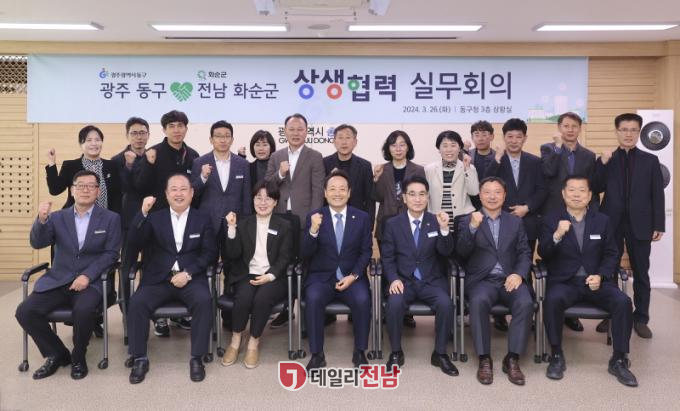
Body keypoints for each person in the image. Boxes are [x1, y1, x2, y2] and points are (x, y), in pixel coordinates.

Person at [16, 170, 121, 380]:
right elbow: (38, 243)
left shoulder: (111, 218)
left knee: (83, 310)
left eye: (91, 186)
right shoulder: (57, 217)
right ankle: (57, 354)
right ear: (72, 190)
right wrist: (41, 220)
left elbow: (111, 254)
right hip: (58, 280)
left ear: (98, 191)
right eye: (80, 185)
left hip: (91, 283)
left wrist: (87, 276)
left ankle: (79, 356)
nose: (85, 189)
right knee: (25, 311)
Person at [538, 175, 637, 386]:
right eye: (572, 190)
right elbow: (543, 253)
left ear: (590, 195)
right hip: (565, 282)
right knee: (552, 300)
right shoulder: (550, 219)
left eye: (582, 190)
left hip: (597, 282)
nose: (576, 194)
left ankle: (619, 359)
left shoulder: (602, 221)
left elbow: (612, 253)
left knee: (623, 302)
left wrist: (601, 275)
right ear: (563, 194)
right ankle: (556, 355)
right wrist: (557, 235)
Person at [126, 174, 216, 384]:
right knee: (137, 303)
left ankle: (197, 357)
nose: (179, 194)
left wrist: (189, 273)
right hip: (158, 279)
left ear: (191, 193)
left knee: (204, 301)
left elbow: (210, 253)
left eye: (183, 189)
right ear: (166, 194)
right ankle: (139, 358)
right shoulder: (154, 218)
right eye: (173, 189)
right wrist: (142, 212)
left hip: (191, 278)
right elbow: (134, 242)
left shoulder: (202, 219)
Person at [456, 177, 534, 386]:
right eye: (487, 192)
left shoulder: (515, 221)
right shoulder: (467, 220)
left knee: (525, 303)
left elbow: (524, 252)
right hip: (482, 280)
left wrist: (518, 274)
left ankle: (512, 359)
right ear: (480, 196)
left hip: (510, 279)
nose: (492, 196)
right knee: (478, 301)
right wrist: (472, 228)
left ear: (504, 196)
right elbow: (461, 252)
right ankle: (484, 359)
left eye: (497, 192)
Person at [595, 113, 665, 339]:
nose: (628, 134)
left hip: (641, 223)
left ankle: (641, 318)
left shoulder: (650, 160)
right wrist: (602, 163)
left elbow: (657, 194)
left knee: (641, 272)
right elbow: (595, 187)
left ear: (639, 132)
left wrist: (659, 224)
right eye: (624, 129)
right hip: (611, 223)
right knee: (608, 270)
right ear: (617, 131)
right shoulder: (607, 159)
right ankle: (609, 314)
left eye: (633, 130)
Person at [381, 176, 458, 377]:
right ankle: (396, 352)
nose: (417, 199)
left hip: (431, 281)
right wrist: (393, 278)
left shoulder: (436, 220)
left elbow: (446, 252)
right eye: (412, 194)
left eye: (422, 194)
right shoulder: (392, 224)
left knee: (446, 304)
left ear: (428, 197)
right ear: (404, 198)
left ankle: (440, 353)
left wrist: (444, 229)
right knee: (394, 303)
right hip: (403, 281)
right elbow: (387, 257)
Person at [133, 109, 200, 335]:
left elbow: (195, 191)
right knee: (154, 265)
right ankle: (158, 318)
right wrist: (148, 164)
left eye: (180, 126)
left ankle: (178, 315)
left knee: (181, 264)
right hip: (158, 222)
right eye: (172, 126)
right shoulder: (153, 153)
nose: (176, 130)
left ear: (186, 128)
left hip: (184, 220)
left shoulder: (193, 155)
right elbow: (139, 186)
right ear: (164, 129)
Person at [301, 170, 373, 371]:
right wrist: (313, 230)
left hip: (352, 277)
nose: (337, 193)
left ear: (349, 193)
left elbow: (366, 251)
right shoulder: (315, 216)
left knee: (363, 299)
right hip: (321, 277)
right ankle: (317, 354)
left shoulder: (362, 217)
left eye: (342, 189)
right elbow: (305, 252)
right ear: (325, 193)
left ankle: (360, 351)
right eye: (332, 189)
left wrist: (354, 276)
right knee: (313, 298)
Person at [483, 118, 546, 332]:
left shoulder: (535, 162)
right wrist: (496, 159)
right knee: (500, 265)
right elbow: (486, 184)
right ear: (504, 138)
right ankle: (499, 315)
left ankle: (526, 314)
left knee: (523, 267)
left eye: (518, 136)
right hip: (500, 222)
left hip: (528, 222)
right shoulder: (496, 160)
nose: (514, 140)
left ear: (525, 138)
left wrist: (527, 207)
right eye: (510, 136)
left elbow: (542, 190)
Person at [221, 181, 292, 369]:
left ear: (275, 202)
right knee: (243, 298)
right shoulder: (244, 223)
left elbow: (285, 257)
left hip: (272, 276)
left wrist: (270, 276)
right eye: (258, 198)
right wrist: (232, 228)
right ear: (252, 200)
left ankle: (253, 342)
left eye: (268, 198)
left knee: (262, 299)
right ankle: (236, 340)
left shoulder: (284, 225)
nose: (262, 202)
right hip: (247, 274)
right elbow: (233, 254)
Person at [265, 113, 325, 328]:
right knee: (282, 263)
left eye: (300, 129)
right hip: (280, 219)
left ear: (306, 132)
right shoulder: (276, 156)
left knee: (306, 265)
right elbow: (268, 186)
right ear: (285, 132)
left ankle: (307, 314)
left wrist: (313, 220)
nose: (296, 133)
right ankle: (286, 309)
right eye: (292, 129)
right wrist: (280, 174)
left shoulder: (315, 156)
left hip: (304, 219)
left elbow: (318, 190)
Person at [373, 131, 425, 329]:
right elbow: (377, 197)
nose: (398, 148)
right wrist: (376, 179)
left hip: (410, 224)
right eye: (394, 145)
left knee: (408, 265)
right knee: (389, 266)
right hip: (386, 223)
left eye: (402, 144)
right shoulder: (382, 169)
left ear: (408, 147)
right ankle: (389, 309)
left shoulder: (418, 169)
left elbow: (422, 198)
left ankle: (406, 312)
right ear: (388, 149)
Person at [111, 117, 151, 308]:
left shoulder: (153, 156)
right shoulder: (117, 160)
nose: (139, 137)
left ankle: (147, 306)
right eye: (134, 133)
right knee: (127, 265)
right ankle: (126, 307)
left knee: (151, 264)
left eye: (142, 133)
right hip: (128, 221)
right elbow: (123, 189)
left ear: (148, 135)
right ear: (127, 135)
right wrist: (128, 166)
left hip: (152, 219)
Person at [46, 125, 122, 214]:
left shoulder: (112, 166)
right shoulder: (70, 166)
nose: (94, 143)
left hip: (105, 219)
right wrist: (51, 163)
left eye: (97, 140)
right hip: (75, 218)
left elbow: (118, 197)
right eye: (89, 140)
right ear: (81, 144)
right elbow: (55, 190)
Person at [540, 112, 599, 214]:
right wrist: (558, 147)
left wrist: (593, 210)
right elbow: (549, 171)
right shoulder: (548, 149)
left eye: (574, 126)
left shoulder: (589, 156)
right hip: (553, 209)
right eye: (566, 126)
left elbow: (592, 186)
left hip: (580, 210)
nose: (570, 130)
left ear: (580, 128)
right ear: (559, 128)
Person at [323, 124, 375, 230]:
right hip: (330, 220)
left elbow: (370, 199)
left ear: (355, 142)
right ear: (334, 141)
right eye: (340, 138)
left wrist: (369, 226)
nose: (344, 142)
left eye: (348, 137)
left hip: (357, 221)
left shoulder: (365, 166)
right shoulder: (324, 163)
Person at [424, 130, 478, 231]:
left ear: (459, 148)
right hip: (437, 220)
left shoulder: (469, 167)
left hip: (462, 220)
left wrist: (467, 169)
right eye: (444, 146)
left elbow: (474, 192)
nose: (449, 150)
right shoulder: (429, 169)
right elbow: (425, 196)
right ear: (439, 149)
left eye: (453, 145)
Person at [468, 120, 497, 210]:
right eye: (476, 135)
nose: (480, 139)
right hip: (470, 204)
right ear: (472, 137)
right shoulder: (466, 156)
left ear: (492, 137)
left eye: (484, 135)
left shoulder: (498, 157)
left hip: (493, 203)